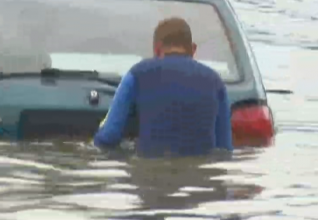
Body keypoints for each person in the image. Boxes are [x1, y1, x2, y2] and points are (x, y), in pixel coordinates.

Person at [93, 17, 233, 157]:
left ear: (157, 49)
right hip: (198, 176)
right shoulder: (215, 82)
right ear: (193, 49)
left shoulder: (138, 73)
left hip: (150, 173)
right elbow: (224, 149)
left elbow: (109, 136)